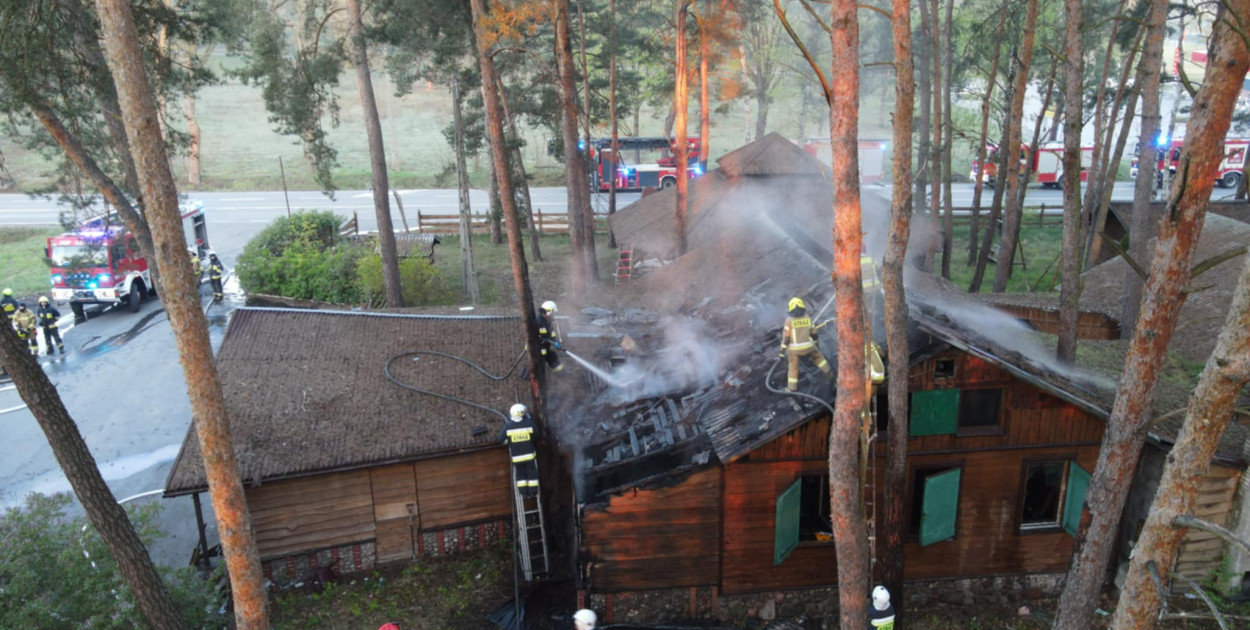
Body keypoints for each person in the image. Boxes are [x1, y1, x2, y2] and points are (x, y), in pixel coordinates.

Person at [780, 297, 830, 392]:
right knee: (819, 358)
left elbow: (786, 339)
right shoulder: (807, 318)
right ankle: (829, 374)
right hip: (809, 347)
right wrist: (817, 346)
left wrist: (781, 353)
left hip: (795, 351)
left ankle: (791, 388)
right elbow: (814, 335)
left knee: (793, 367)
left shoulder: (789, 321)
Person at [501, 403, 540, 498]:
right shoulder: (529, 424)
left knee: (521, 474)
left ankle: (523, 493)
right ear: (521, 413)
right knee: (532, 473)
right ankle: (533, 492)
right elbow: (537, 434)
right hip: (529, 456)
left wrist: (508, 440)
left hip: (517, 458)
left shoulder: (508, 427)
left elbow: (500, 439)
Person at [537, 300, 563, 373]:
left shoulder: (547, 320)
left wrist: (556, 341)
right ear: (547, 312)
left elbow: (551, 334)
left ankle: (561, 374)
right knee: (539, 367)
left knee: (554, 360)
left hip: (546, 346)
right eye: (552, 313)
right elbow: (537, 338)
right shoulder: (538, 321)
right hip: (538, 348)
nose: (552, 315)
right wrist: (552, 342)